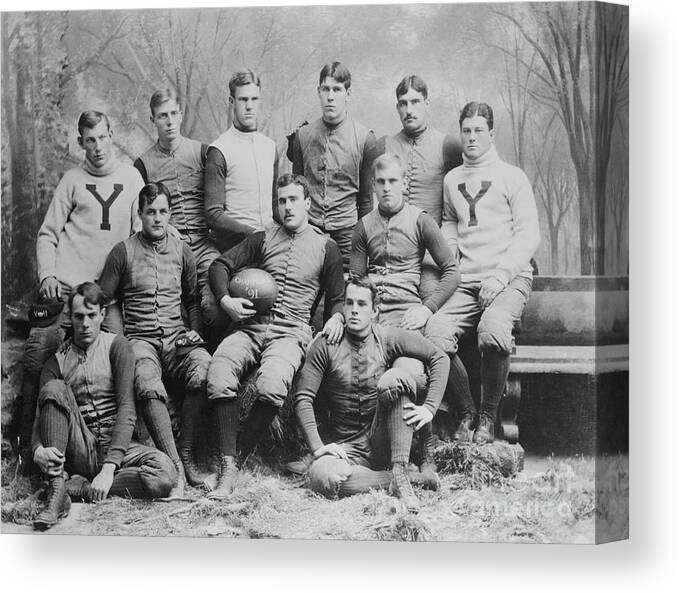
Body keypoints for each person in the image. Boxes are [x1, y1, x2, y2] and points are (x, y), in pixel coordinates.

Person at [206, 173, 345, 499]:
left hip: (291, 331)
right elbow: (220, 265)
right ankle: (228, 462)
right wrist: (227, 300)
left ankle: (237, 457)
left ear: (308, 203)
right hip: (251, 325)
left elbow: (338, 297)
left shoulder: (327, 247)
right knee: (218, 372)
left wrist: (337, 316)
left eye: (294, 199)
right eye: (282, 201)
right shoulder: (262, 238)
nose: (287, 206)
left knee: (271, 385)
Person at [18, 111, 143, 468]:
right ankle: (27, 445)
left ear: (112, 135)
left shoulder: (131, 179)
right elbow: (48, 233)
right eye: (90, 140)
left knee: (122, 354)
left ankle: (120, 446)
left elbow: (137, 238)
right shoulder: (73, 179)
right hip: (68, 288)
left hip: (106, 297)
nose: (98, 147)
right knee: (39, 350)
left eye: (103, 137)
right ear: (81, 143)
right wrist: (48, 275)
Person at [425, 102, 540, 444]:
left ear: (491, 133)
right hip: (467, 280)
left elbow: (529, 234)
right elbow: (449, 221)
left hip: (508, 278)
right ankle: (467, 413)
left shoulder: (512, 176)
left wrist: (501, 275)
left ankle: (488, 417)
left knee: (492, 330)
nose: (472, 138)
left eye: (478, 131)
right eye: (466, 131)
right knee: (434, 332)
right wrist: (451, 251)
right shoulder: (452, 180)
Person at [350, 152, 462, 478]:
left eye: (393, 181)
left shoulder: (420, 220)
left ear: (405, 183)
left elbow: (452, 271)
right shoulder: (363, 227)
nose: (387, 188)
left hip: (406, 317)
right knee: (362, 376)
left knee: (408, 374)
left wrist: (427, 309)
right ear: (373, 185)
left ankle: (424, 454)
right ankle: (378, 455)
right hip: (373, 321)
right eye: (381, 182)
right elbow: (356, 282)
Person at [294, 278, 450, 512]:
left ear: (375, 310)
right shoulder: (325, 345)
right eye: (349, 303)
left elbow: (440, 358)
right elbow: (303, 398)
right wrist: (318, 447)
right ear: (343, 308)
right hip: (348, 448)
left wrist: (429, 408)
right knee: (321, 476)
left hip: (384, 437)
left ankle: (399, 468)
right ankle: (402, 480)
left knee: (395, 378)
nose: (354, 310)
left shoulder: (387, 337)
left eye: (362, 304)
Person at [31, 282, 176, 531]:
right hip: (80, 445)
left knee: (164, 474)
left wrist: (109, 468)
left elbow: (127, 409)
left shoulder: (117, 346)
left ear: (102, 315)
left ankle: (80, 487)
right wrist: (37, 450)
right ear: (70, 317)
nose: (85, 324)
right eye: (79, 317)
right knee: (54, 388)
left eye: (91, 316)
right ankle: (58, 490)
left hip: (118, 444)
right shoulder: (58, 360)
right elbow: (39, 416)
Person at [98, 182, 211, 497]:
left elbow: (192, 299)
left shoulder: (182, 250)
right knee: (146, 380)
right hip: (140, 339)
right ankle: (175, 468)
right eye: (151, 212)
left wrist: (195, 330)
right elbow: (105, 299)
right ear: (140, 214)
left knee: (203, 367)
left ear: (170, 213)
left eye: (163, 211)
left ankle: (187, 455)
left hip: (176, 338)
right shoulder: (123, 252)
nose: (157, 219)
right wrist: (118, 341)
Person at [134, 89, 220, 340]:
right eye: (162, 116)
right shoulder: (143, 164)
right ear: (153, 120)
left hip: (205, 245)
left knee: (213, 306)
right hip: (168, 246)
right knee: (173, 313)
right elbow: (138, 213)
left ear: (181, 115)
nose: (169, 121)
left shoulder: (203, 152)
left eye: (173, 113)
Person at [371, 74, 463, 300]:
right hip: (391, 248)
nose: (409, 109)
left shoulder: (448, 146)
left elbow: (462, 205)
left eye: (415, 102)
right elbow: (368, 202)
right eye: (403, 103)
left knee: (429, 294)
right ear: (397, 107)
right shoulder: (383, 145)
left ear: (427, 104)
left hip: (433, 251)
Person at [203, 69, 278, 344]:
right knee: (214, 313)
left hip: (269, 246)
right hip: (235, 248)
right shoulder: (220, 149)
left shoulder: (270, 146)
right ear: (231, 101)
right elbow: (213, 213)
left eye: (254, 99)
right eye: (243, 99)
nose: (249, 106)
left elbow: (275, 205)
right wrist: (250, 235)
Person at [290, 61, 377, 269]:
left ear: (348, 93)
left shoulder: (365, 138)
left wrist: (362, 243)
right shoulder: (303, 136)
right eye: (325, 89)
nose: (330, 96)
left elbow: (366, 200)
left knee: (350, 292)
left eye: (337, 89)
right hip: (308, 229)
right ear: (318, 92)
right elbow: (297, 192)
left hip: (348, 233)